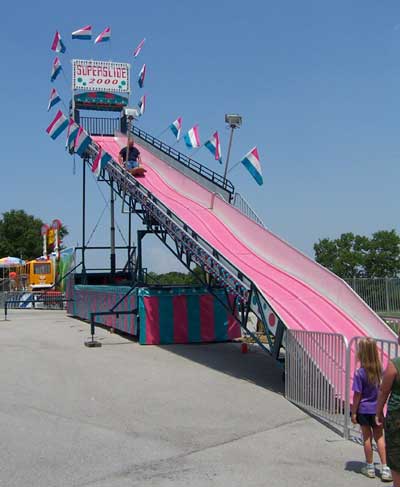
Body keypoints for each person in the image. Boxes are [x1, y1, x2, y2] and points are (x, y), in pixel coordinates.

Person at [351, 337, 392, 481]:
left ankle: (369, 467)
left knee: (367, 438)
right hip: (377, 409)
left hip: (363, 409)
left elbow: (357, 395)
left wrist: (354, 412)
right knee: (380, 437)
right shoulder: (380, 371)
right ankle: (385, 468)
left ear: (361, 354)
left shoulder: (359, 373)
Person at [376, 328, 400, 487]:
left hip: (397, 416)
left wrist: (378, 412)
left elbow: (384, 391)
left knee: (396, 456)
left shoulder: (394, 365)